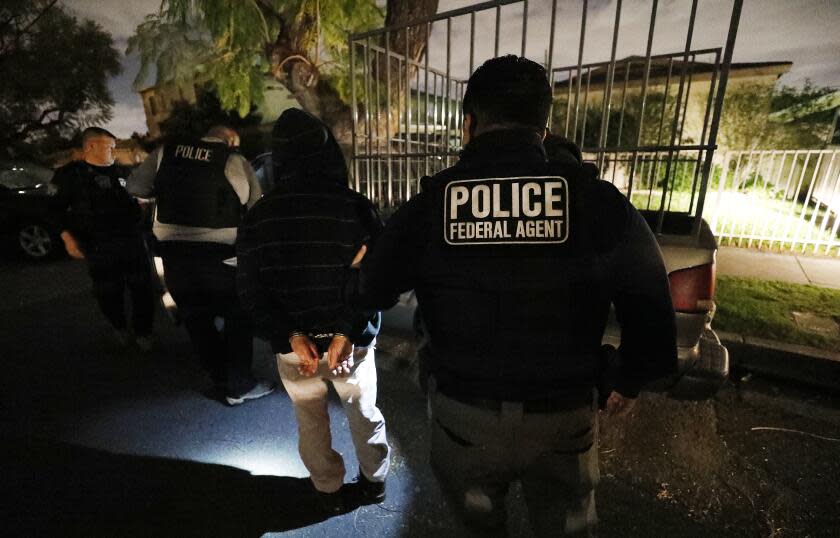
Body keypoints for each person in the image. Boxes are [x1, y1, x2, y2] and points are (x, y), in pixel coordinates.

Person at [348, 55, 678, 536]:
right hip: (565, 418)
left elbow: (373, 289)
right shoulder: (597, 202)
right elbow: (651, 308)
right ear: (543, 128)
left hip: (465, 420)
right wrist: (627, 380)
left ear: (468, 123)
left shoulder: (431, 205)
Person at [236, 108, 389, 514]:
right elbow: (376, 279)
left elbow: (251, 290)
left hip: (295, 350)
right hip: (352, 344)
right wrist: (343, 331)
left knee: (310, 420)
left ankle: (327, 489)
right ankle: (374, 483)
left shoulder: (258, 217)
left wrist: (292, 335)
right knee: (363, 413)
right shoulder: (354, 207)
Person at [127, 125, 274, 406]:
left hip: (174, 256)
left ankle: (219, 377)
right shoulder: (233, 161)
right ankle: (239, 384)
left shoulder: (164, 154)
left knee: (196, 319)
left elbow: (135, 187)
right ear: (229, 140)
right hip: (222, 257)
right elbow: (256, 206)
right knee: (238, 318)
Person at [49, 127, 155, 350]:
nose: (114, 152)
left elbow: (141, 199)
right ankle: (119, 328)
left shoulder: (124, 173)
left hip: (131, 240)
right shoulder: (72, 176)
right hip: (98, 243)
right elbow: (53, 210)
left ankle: (144, 332)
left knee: (143, 288)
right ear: (91, 146)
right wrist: (67, 238)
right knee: (108, 291)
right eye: (110, 147)